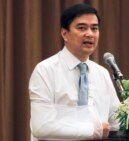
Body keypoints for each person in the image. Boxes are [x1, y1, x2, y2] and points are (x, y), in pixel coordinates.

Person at [29, 3, 120, 141]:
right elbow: (41, 126)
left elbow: (117, 122)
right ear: (64, 34)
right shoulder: (45, 70)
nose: (89, 34)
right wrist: (93, 130)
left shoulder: (102, 73)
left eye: (94, 28)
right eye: (82, 28)